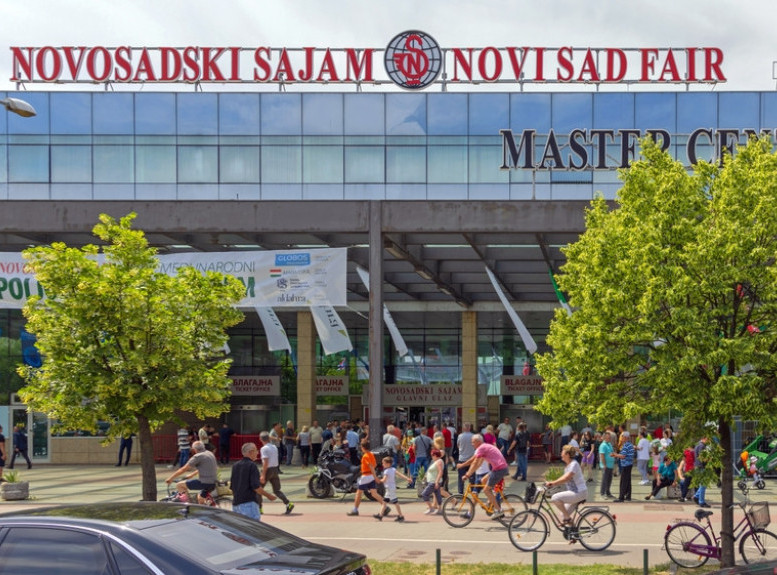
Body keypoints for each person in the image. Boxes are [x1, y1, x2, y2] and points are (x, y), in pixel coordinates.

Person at [459, 433, 510, 520]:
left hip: (499, 469)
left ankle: (498, 510)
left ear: (478, 441)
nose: (472, 444)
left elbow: (475, 462)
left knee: (486, 490)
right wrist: (469, 471)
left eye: (473, 442)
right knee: (483, 480)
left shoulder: (481, 448)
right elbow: (477, 462)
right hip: (498, 468)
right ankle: (491, 500)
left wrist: (467, 474)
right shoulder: (485, 447)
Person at [230, 442, 277, 520]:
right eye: (256, 450)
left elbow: (232, 486)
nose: (257, 453)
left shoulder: (235, 465)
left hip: (236, 504)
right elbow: (256, 487)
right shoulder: (252, 465)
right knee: (252, 526)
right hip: (248, 503)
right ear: (251, 452)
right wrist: (269, 496)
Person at [545, 444, 587, 525]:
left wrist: (552, 483)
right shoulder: (568, 466)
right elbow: (564, 479)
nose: (561, 454)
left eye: (562, 452)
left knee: (555, 498)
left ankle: (568, 519)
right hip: (575, 492)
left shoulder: (574, 464)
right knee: (563, 514)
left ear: (567, 454)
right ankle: (573, 530)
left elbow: (566, 478)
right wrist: (553, 484)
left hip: (579, 492)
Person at [348, 438, 390, 517]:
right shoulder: (371, 454)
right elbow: (374, 465)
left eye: (361, 447)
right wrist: (374, 476)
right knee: (374, 493)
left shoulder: (365, 456)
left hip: (366, 476)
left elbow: (370, 466)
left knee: (358, 493)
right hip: (370, 476)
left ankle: (355, 510)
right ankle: (385, 507)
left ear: (363, 447)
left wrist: (375, 476)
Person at [258, 430, 294, 514]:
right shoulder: (274, 447)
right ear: (269, 438)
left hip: (268, 470)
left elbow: (265, 462)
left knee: (259, 489)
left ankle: (259, 508)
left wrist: (263, 475)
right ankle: (288, 503)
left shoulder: (264, 449)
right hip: (275, 469)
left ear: (260, 439)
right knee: (277, 490)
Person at [375, 455, 411, 522]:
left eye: (383, 463)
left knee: (395, 502)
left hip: (389, 488)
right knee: (385, 502)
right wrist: (407, 478)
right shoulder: (393, 469)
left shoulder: (386, 471)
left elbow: (384, 480)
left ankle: (401, 516)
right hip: (391, 488)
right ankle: (380, 515)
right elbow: (400, 475)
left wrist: (378, 480)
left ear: (388, 464)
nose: (382, 464)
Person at [421, 449, 445, 515]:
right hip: (433, 481)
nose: (431, 456)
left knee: (424, 494)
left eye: (432, 455)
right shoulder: (436, 461)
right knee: (437, 495)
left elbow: (440, 472)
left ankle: (431, 508)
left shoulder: (439, 461)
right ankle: (439, 509)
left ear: (435, 455)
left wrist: (436, 482)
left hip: (433, 482)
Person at [613, 431, 635, 502]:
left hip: (626, 465)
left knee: (623, 481)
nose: (621, 438)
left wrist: (615, 455)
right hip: (629, 464)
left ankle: (621, 497)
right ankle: (628, 496)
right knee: (628, 481)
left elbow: (623, 456)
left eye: (622, 436)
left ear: (625, 437)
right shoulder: (630, 444)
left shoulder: (626, 445)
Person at [456, 422, 475, 494]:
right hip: (471, 459)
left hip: (462, 459)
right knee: (472, 477)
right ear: (469, 428)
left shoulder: (460, 436)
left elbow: (458, 445)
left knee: (461, 477)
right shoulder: (473, 436)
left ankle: (460, 493)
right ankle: (473, 492)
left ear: (463, 428)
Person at [694, 437, 711, 508]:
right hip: (702, 467)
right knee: (703, 485)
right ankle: (701, 501)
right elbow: (702, 457)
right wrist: (709, 459)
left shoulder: (698, 445)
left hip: (699, 466)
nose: (708, 440)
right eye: (708, 439)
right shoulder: (702, 446)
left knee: (703, 484)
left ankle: (696, 496)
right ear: (704, 438)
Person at [598, 431, 616, 499]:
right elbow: (602, 456)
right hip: (605, 466)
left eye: (610, 438)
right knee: (604, 480)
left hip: (610, 465)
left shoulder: (609, 444)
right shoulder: (603, 445)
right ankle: (602, 493)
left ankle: (608, 492)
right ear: (604, 438)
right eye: (608, 438)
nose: (610, 439)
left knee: (609, 480)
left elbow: (612, 452)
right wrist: (604, 465)